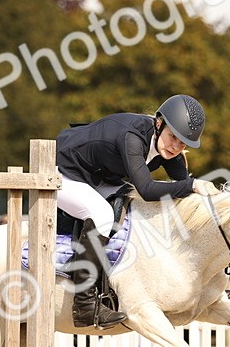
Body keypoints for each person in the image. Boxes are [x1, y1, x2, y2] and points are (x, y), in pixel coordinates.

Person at [55, 94, 218, 328]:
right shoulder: (132, 138)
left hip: (96, 176)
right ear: (159, 124)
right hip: (63, 171)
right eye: (173, 137)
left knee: (135, 207)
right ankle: (84, 304)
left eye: (183, 143)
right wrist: (192, 185)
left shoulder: (167, 149)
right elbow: (148, 190)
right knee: (101, 214)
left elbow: (184, 189)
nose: (176, 146)